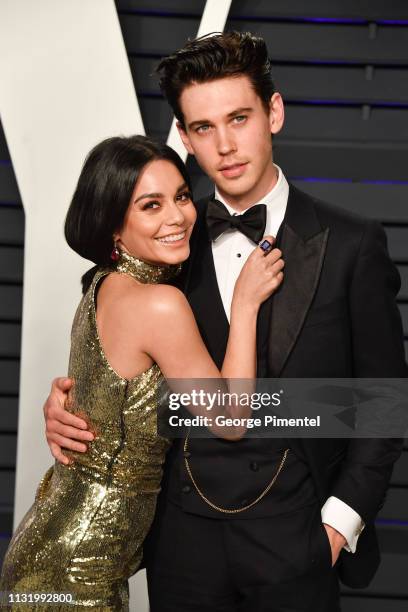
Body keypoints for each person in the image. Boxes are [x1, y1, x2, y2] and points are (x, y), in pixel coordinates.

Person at [43, 33, 407, 612]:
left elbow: (385, 402)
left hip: (298, 539)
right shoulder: (161, 247)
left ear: (274, 113)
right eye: (204, 128)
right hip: (180, 541)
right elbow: (118, 355)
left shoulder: (353, 244)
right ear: (185, 138)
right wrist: (69, 406)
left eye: (239, 117)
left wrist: (337, 527)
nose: (227, 145)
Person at [0, 134, 284, 611]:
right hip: (78, 572)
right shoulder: (159, 303)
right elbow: (230, 419)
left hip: (51, 546)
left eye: (180, 196)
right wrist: (245, 303)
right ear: (114, 226)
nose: (177, 216)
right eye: (151, 205)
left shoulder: (102, 286)